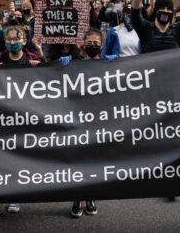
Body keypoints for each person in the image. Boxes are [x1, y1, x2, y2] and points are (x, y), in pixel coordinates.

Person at [0, 26, 40, 220]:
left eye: (16, 39)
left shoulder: (33, 59)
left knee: (18, 159)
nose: (12, 42)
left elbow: (51, 79)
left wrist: (40, 67)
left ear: (24, 41)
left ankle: (14, 197)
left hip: (25, 118)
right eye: (8, 40)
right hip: (1, 118)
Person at [69, 29, 103, 218]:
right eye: (89, 42)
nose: (92, 45)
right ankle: (76, 198)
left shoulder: (110, 64)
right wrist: (63, 67)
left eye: (96, 43)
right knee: (78, 161)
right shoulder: (75, 65)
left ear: (102, 45)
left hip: (99, 120)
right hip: (79, 118)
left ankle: (90, 197)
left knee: (93, 161)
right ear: (83, 44)